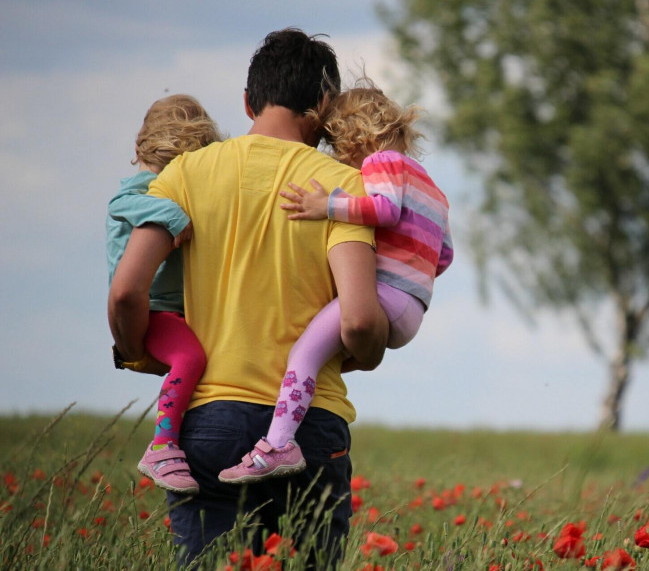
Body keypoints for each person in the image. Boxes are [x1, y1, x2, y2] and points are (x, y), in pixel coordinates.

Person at [108, 28, 388, 565]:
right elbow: (357, 320)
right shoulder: (340, 187)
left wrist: (139, 351)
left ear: (246, 101)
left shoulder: (183, 175)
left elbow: (125, 292)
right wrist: (368, 354)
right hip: (309, 425)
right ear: (324, 105)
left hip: (207, 420)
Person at [219, 82, 453, 484]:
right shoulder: (433, 188)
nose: (338, 157)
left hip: (384, 296)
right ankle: (290, 424)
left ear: (356, 136)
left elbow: (384, 209)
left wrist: (325, 205)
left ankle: (278, 445)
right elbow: (444, 255)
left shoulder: (382, 163)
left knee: (303, 355)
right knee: (324, 355)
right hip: (413, 307)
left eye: (337, 145)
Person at [106, 94, 222, 494]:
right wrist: (173, 215)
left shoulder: (161, 184)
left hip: (172, 310)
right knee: (190, 357)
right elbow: (122, 203)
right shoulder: (143, 188)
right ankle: (163, 445)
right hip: (153, 310)